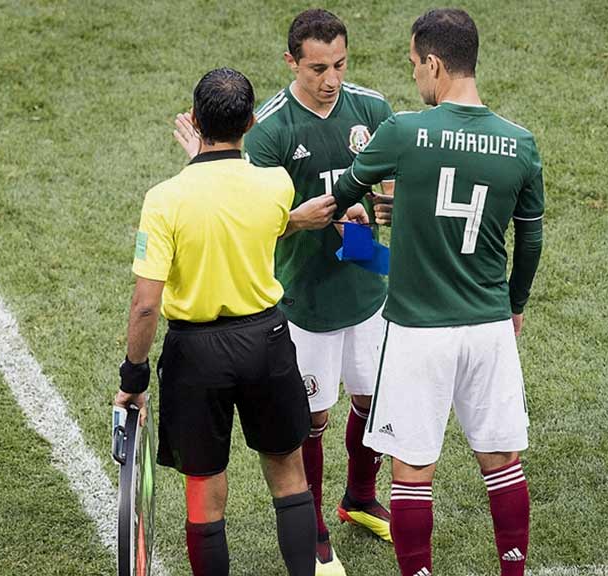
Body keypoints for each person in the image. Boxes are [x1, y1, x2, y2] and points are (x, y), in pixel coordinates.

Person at [174, 9, 395, 576]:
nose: (332, 78)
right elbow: (246, 217)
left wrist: (382, 210)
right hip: (302, 294)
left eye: (340, 64)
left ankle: (360, 498)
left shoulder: (371, 109)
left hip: (367, 281)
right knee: (312, 420)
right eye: (318, 67)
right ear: (291, 61)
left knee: (373, 406)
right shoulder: (269, 128)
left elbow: (393, 193)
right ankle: (317, 532)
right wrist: (300, 219)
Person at [330, 9, 545, 576]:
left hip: (418, 331)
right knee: (502, 461)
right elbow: (532, 238)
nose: (414, 78)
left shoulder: (403, 132)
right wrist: (515, 304)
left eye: (414, 65)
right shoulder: (520, 145)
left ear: (434, 63)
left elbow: (347, 193)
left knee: (413, 470)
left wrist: (355, 213)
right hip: (488, 326)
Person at [114, 68, 316, 576]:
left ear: (195, 120)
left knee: (204, 490)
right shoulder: (276, 184)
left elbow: (144, 305)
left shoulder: (165, 199)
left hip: (196, 355)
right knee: (289, 474)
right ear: (250, 121)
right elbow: (251, 212)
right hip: (267, 342)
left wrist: (132, 378)